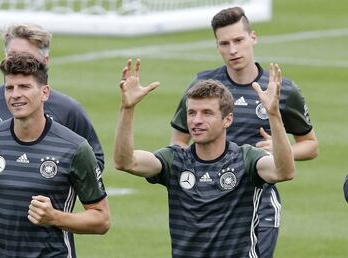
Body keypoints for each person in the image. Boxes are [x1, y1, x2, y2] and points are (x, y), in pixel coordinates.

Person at [170, 7, 318, 257]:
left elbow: (311, 145)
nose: (233, 50)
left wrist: (283, 149)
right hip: (210, 201)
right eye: (224, 43)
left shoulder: (281, 90)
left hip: (260, 203)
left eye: (238, 40)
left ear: (253, 38)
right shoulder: (203, 87)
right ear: (217, 47)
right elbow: (178, 141)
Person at [114, 58, 294, 258]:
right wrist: (127, 109)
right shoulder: (175, 160)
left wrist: (274, 114)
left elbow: (284, 171)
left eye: (207, 113)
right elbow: (126, 161)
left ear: (227, 120)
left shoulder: (246, 159)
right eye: (192, 113)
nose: (196, 121)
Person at [0, 53, 110, 258]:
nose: (15, 94)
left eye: (24, 87)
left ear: (44, 93)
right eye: (9, 88)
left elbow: (102, 220)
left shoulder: (75, 148)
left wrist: (54, 217)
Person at [0, 23, 104, 184]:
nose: (18, 61)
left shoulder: (68, 110)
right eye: (12, 55)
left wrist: (54, 179)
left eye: (26, 56)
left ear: (45, 61)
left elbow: (95, 160)